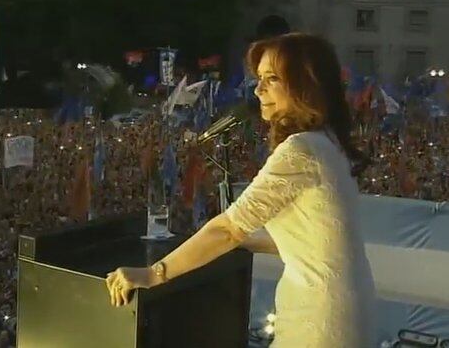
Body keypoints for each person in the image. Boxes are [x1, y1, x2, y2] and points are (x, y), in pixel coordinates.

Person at [106, 33, 377, 348]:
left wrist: (153, 274)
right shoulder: (327, 141)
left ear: (306, 84)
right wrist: (252, 242)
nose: (258, 90)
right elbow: (318, 237)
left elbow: (229, 228)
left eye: (271, 79)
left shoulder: (301, 149)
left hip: (319, 323)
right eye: (259, 79)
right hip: (348, 311)